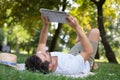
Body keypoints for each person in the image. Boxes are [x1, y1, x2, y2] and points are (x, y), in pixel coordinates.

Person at [25, 14, 100, 75]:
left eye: (42, 53)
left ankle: (79, 41)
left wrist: (46, 25)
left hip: (71, 55)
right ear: (50, 67)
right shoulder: (70, 67)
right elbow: (89, 51)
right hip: (84, 61)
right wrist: (77, 27)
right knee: (94, 32)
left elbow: (42, 42)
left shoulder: (40, 58)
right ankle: (92, 63)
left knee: (85, 37)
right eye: (45, 55)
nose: (45, 52)